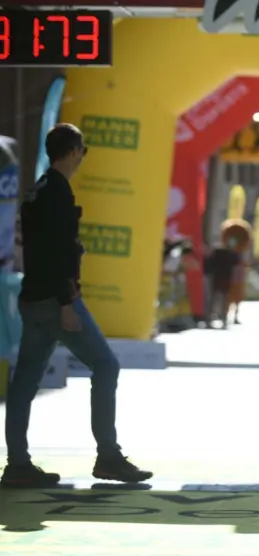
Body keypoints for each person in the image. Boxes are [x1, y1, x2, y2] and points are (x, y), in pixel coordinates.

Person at [2, 123, 153, 488]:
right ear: (72, 152)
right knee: (106, 365)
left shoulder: (37, 190)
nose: (83, 158)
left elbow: (37, 247)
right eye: (82, 151)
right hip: (57, 299)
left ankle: (18, 463)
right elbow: (60, 253)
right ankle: (109, 457)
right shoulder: (59, 192)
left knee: (24, 381)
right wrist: (68, 301)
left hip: (32, 298)